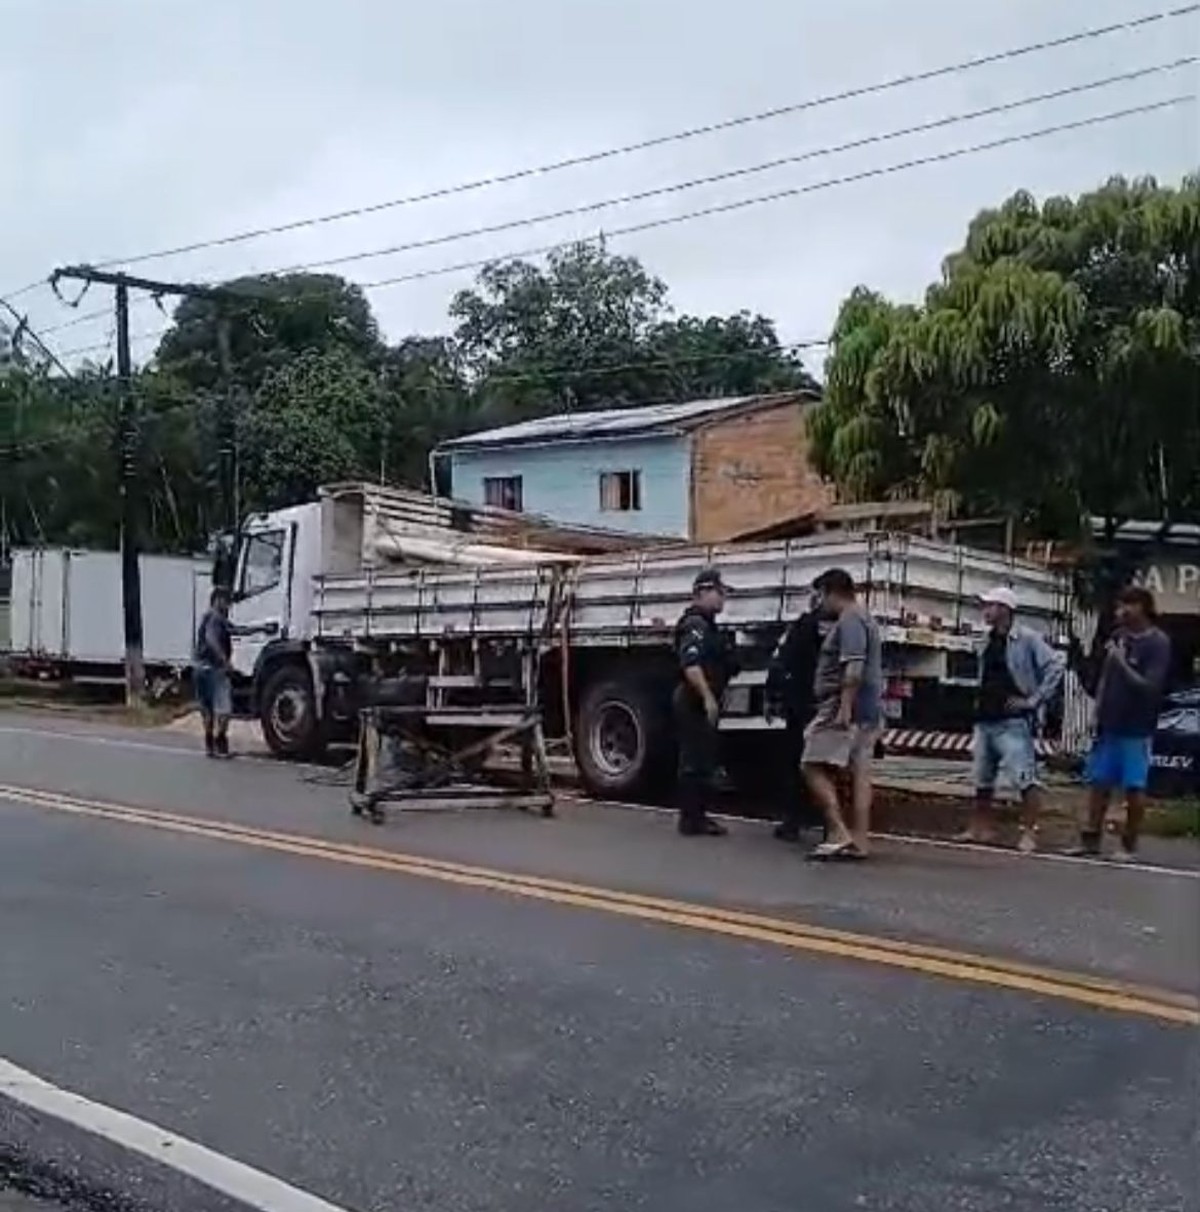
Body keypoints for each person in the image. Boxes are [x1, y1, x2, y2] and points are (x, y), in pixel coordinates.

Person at [957, 587, 1064, 853]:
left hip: (1013, 721)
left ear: (1005, 609)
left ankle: (1029, 832)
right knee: (982, 778)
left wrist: (1034, 699)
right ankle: (981, 827)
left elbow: (1055, 665)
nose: (986, 611)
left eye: (991, 606)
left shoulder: (1026, 638)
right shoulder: (986, 639)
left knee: (1024, 778)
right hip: (986, 717)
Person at [1072, 586, 1171, 861]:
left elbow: (1150, 686)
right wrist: (1098, 710)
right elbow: (1106, 678)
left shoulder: (1157, 643)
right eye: (1120, 606)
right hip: (1110, 723)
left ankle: (1129, 843)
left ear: (1143, 607)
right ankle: (1090, 838)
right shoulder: (1119, 637)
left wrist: (1121, 662)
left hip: (1137, 726)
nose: (1122, 612)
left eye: (1129, 605)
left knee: (1134, 787)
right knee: (1098, 782)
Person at [801, 568, 883, 861]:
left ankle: (838, 830)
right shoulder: (864, 618)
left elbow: (853, 668)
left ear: (832, 592)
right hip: (867, 709)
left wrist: (844, 707)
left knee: (811, 763)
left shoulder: (850, 619)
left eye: (821, 595)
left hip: (843, 706)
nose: (820, 603)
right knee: (860, 773)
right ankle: (860, 840)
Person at [673, 567, 739, 837]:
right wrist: (708, 698)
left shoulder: (709, 625)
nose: (723, 599)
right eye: (720, 592)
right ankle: (691, 819)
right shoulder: (696, 624)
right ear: (703, 592)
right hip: (692, 699)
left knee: (703, 758)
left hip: (699, 698)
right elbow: (691, 666)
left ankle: (698, 816)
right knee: (694, 760)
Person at [765, 580, 828, 842]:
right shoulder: (842, 627)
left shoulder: (802, 626)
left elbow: (781, 661)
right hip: (824, 705)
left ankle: (793, 821)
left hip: (801, 703)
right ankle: (826, 822)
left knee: (796, 764)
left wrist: (772, 696)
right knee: (825, 765)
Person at [194, 585, 235, 758]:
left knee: (207, 709)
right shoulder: (215, 618)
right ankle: (220, 740)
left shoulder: (209, 618)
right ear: (218, 600)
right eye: (226, 601)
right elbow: (211, 639)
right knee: (225, 709)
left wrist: (260, 629)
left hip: (199, 668)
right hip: (214, 669)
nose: (229, 606)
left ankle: (209, 743)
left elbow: (236, 629)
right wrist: (224, 661)